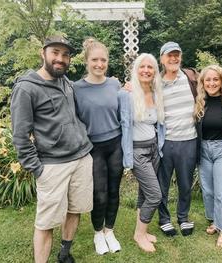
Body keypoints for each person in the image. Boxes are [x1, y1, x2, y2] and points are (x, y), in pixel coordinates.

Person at [10, 35, 93, 263]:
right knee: (46, 222)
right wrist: (38, 169)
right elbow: (20, 136)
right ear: (43, 53)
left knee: (75, 209)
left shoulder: (65, 82)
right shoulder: (26, 89)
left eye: (65, 54)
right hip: (52, 166)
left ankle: (64, 253)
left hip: (81, 158)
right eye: (55, 52)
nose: (60, 59)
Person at [73, 38, 123, 255]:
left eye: (103, 60)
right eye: (95, 60)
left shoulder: (115, 84)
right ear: (86, 61)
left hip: (115, 144)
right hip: (93, 148)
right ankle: (97, 233)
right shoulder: (76, 88)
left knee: (114, 191)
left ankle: (109, 230)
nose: (99, 64)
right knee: (99, 194)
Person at [119, 53, 165, 252]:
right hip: (137, 151)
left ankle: (143, 231)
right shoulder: (127, 94)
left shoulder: (156, 93)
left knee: (144, 194)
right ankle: (139, 235)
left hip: (154, 148)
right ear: (136, 70)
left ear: (155, 71)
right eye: (142, 66)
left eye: (150, 67)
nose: (146, 70)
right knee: (155, 195)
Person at [194, 65, 222, 248]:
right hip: (204, 150)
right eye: (208, 80)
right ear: (202, 83)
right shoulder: (199, 102)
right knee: (209, 190)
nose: (212, 83)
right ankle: (215, 220)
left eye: (215, 79)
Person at [157, 42, 198, 237]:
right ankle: (164, 219)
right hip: (166, 142)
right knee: (162, 184)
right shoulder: (155, 83)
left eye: (177, 55)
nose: (173, 59)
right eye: (169, 55)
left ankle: (183, 217)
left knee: (184, 183)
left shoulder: (191, 77)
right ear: (162, 59)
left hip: (189, 140)